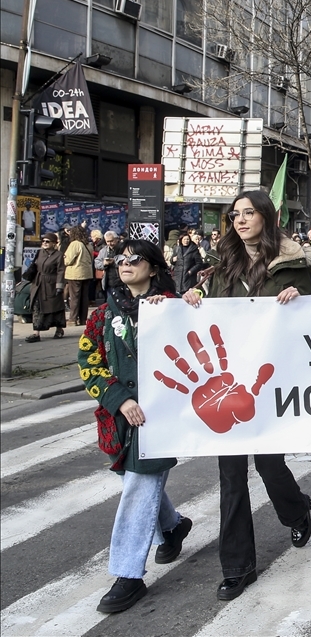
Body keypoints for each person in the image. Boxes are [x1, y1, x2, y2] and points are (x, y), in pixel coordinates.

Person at [181, 190, 311, 601]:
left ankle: (296, 510)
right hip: (230, 383)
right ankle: (237, 567)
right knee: (230, 475)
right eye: (234, 215)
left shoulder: (292, 267)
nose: (240, 221)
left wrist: (301, 300)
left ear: (267, 217)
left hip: (271, 383)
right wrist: (192, 301)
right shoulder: (224, 269)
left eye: (248, 213)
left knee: (270, 466)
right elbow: (213, 316)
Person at [78, 240, 191, 614]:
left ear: (154, 268)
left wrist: (187, 303)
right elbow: (88, 362)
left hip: (156, 419)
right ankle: (172, 526)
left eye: (135, 259)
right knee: (135, 483)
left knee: (137, 491)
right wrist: (118, 400)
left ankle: (127, 574)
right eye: (120, 259)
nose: (125, 264)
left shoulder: (174, 308)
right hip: (119, 422)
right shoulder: (102, 314)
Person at [23, 233, 66, 342]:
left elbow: (61, 271)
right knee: (36, 307)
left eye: (47, 241)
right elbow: (34, 266)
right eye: (43, 241)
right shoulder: (40, 252)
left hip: (51, 284)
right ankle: (36, 333)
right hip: (38, 284)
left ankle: (59, 329)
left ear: (54, 243)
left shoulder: (58, 255)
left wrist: (59, 286)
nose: (44, 243)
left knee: (55, 307)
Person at [63, 225, 93, 326]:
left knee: (74, 297)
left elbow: (68, 260)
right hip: (87, 273)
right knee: (84, 297)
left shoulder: (75, 244)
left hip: (75, 273)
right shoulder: (88, 245)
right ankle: (83, 319)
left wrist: (64, 258)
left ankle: (73, 319)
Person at [94, 231, 123, 303]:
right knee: (110, 304)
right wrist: (104, 263)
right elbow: (96, 263)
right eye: (108, 241)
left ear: (117, 239)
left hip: (122, 282)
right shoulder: (103, 251)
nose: (110, 243)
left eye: (112, 241)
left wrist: (115, 262)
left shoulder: (123, 249)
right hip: (109, 282)